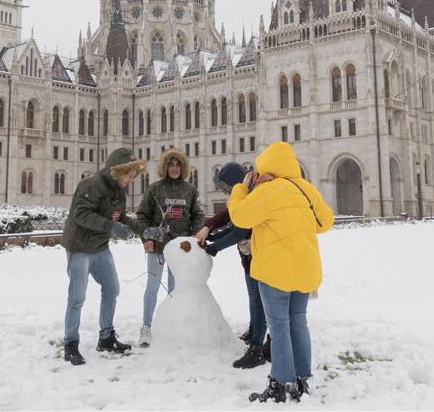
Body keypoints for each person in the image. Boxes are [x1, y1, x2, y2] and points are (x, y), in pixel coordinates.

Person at [229, 142, 334, 403]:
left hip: (274, 272)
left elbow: (240, 216)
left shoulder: (267, 191)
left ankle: (280, 383)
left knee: (279, 327)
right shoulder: (305, 188)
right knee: (298, 321)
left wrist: (241, 188)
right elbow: (325, 222)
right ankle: (301, 380)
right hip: (305, 269)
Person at [61, 147, 146, 366]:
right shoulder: (91, 185)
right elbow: (81, 215)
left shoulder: (118, 191)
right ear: (117, 170)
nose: (131, 180)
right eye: (129, 176)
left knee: (112, 289)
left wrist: (144, 230)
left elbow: (120, 217)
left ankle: (106, 337)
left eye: (133, 176)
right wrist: (111, 226)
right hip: (79, 247)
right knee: (77, 297)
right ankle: (71, 344)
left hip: (100, 248)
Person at [195, 161, 269, 369]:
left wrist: (215, 247)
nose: (227, 192)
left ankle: (257, 347)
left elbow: (241, 230)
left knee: (259, 301)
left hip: (259, 256)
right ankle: (254, 331)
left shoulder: (253, 197)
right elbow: (232, 221)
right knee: (253, 297)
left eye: (227, 187)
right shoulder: (244, 196)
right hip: (249, 257)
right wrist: (214, 234)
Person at [135, 147, 205, 347]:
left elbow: (198, 214)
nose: (174, 168)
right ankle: (146, 327)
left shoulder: (190, 190)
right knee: (152, 287)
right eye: (171, 165)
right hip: (157, 246)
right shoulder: (154, 189)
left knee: (175, 290)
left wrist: (195, 234)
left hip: (179, 249)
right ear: (164, 167)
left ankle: (171, 327)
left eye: (178, 165)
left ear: (183, 168)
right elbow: (142, 216)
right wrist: (147, 238)